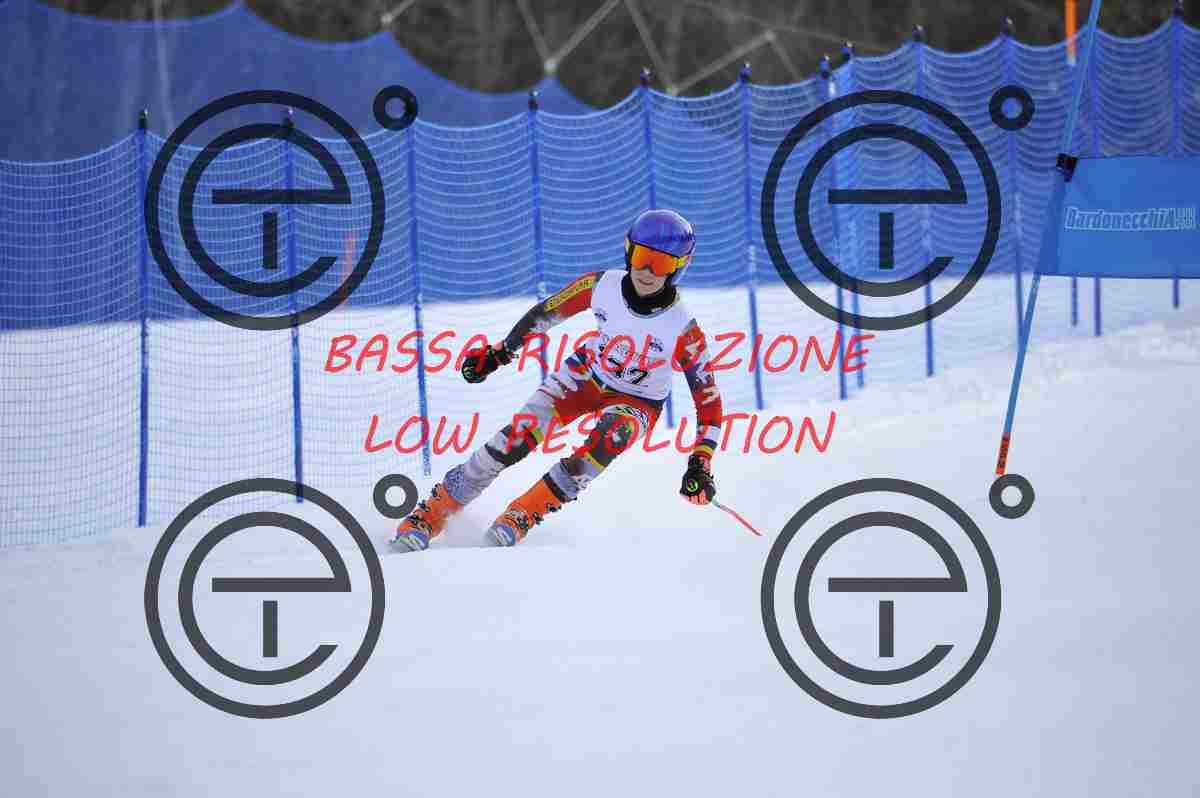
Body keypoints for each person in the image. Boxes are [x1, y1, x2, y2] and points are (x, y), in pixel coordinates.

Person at [390, 209, 724, 551]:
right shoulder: (600, 286)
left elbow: (709, 403)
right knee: (513, 440)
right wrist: (500, 353)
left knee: (610, 439)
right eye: (642, 257)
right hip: (585, 376)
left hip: (638, 401)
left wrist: (700, 462)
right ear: (628, 251)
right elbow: (545, 313)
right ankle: (430, 515)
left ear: (679, 267)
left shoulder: (682, 328)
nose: (648, 271)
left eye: (662, 263)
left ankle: (522, 515)